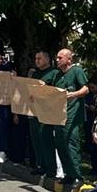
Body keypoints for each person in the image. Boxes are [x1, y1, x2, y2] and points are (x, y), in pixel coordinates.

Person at [54, 49, 90, 186]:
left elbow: (85, 89)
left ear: (69, 59)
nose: (57, 60)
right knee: (60, 145)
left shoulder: (77, 71)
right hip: (58, 115)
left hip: (72, 115)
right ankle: (68, 174)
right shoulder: (58, 75)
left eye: (60, 57)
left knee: (71, 144)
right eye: (56, 58)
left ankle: (77, 176)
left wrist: (73, 95)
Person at [29, 51, 60, 179]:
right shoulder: (35, 74)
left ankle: (51, 169)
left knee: (46, 141)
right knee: (36, 139)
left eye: (39, 58)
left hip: (47, 111)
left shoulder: (54, 73)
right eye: (36, 58)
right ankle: (40, 165)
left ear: (47, 59)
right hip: (35, 110)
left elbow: (56, 92)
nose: (37, 61)